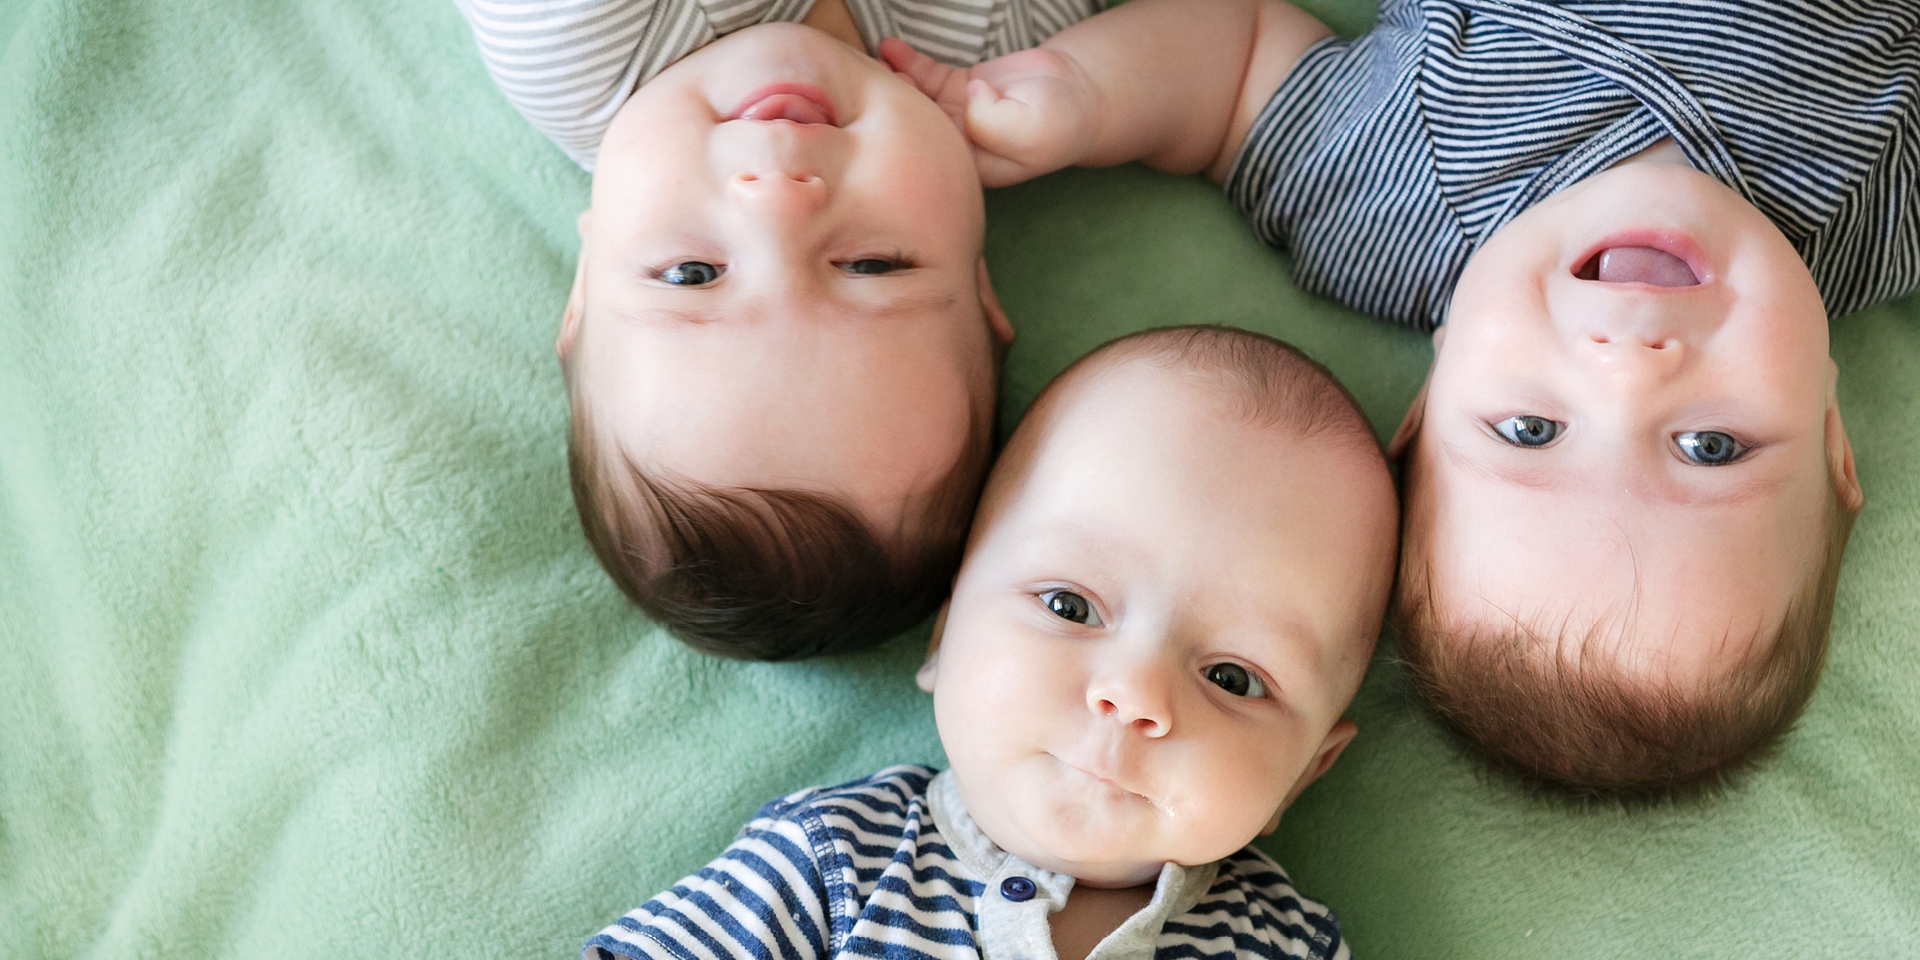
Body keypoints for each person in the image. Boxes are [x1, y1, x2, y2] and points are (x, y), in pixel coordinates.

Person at [882, 0, 1917, 796]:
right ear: (1835, 440)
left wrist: (1088, 94)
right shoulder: (1882, 204)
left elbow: (1236, 68)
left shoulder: (1390, 207)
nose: (1630, 361)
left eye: (1530, 429)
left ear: (1425, 403)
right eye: (1711, 448)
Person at [583, 326, 1399, 960]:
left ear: (1305, 773)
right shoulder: (838, 859)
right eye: (1070, 605)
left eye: (1233, 675)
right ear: (944, 632)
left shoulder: (1288, 942)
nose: (1134, 694)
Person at [453, 0, 1101, 659]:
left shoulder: (578, 46)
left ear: (583, 289)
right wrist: (1098, 90)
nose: (780, 198)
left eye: (691, 274)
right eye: (870, 266)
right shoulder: (1019, 52)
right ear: (980, 285)